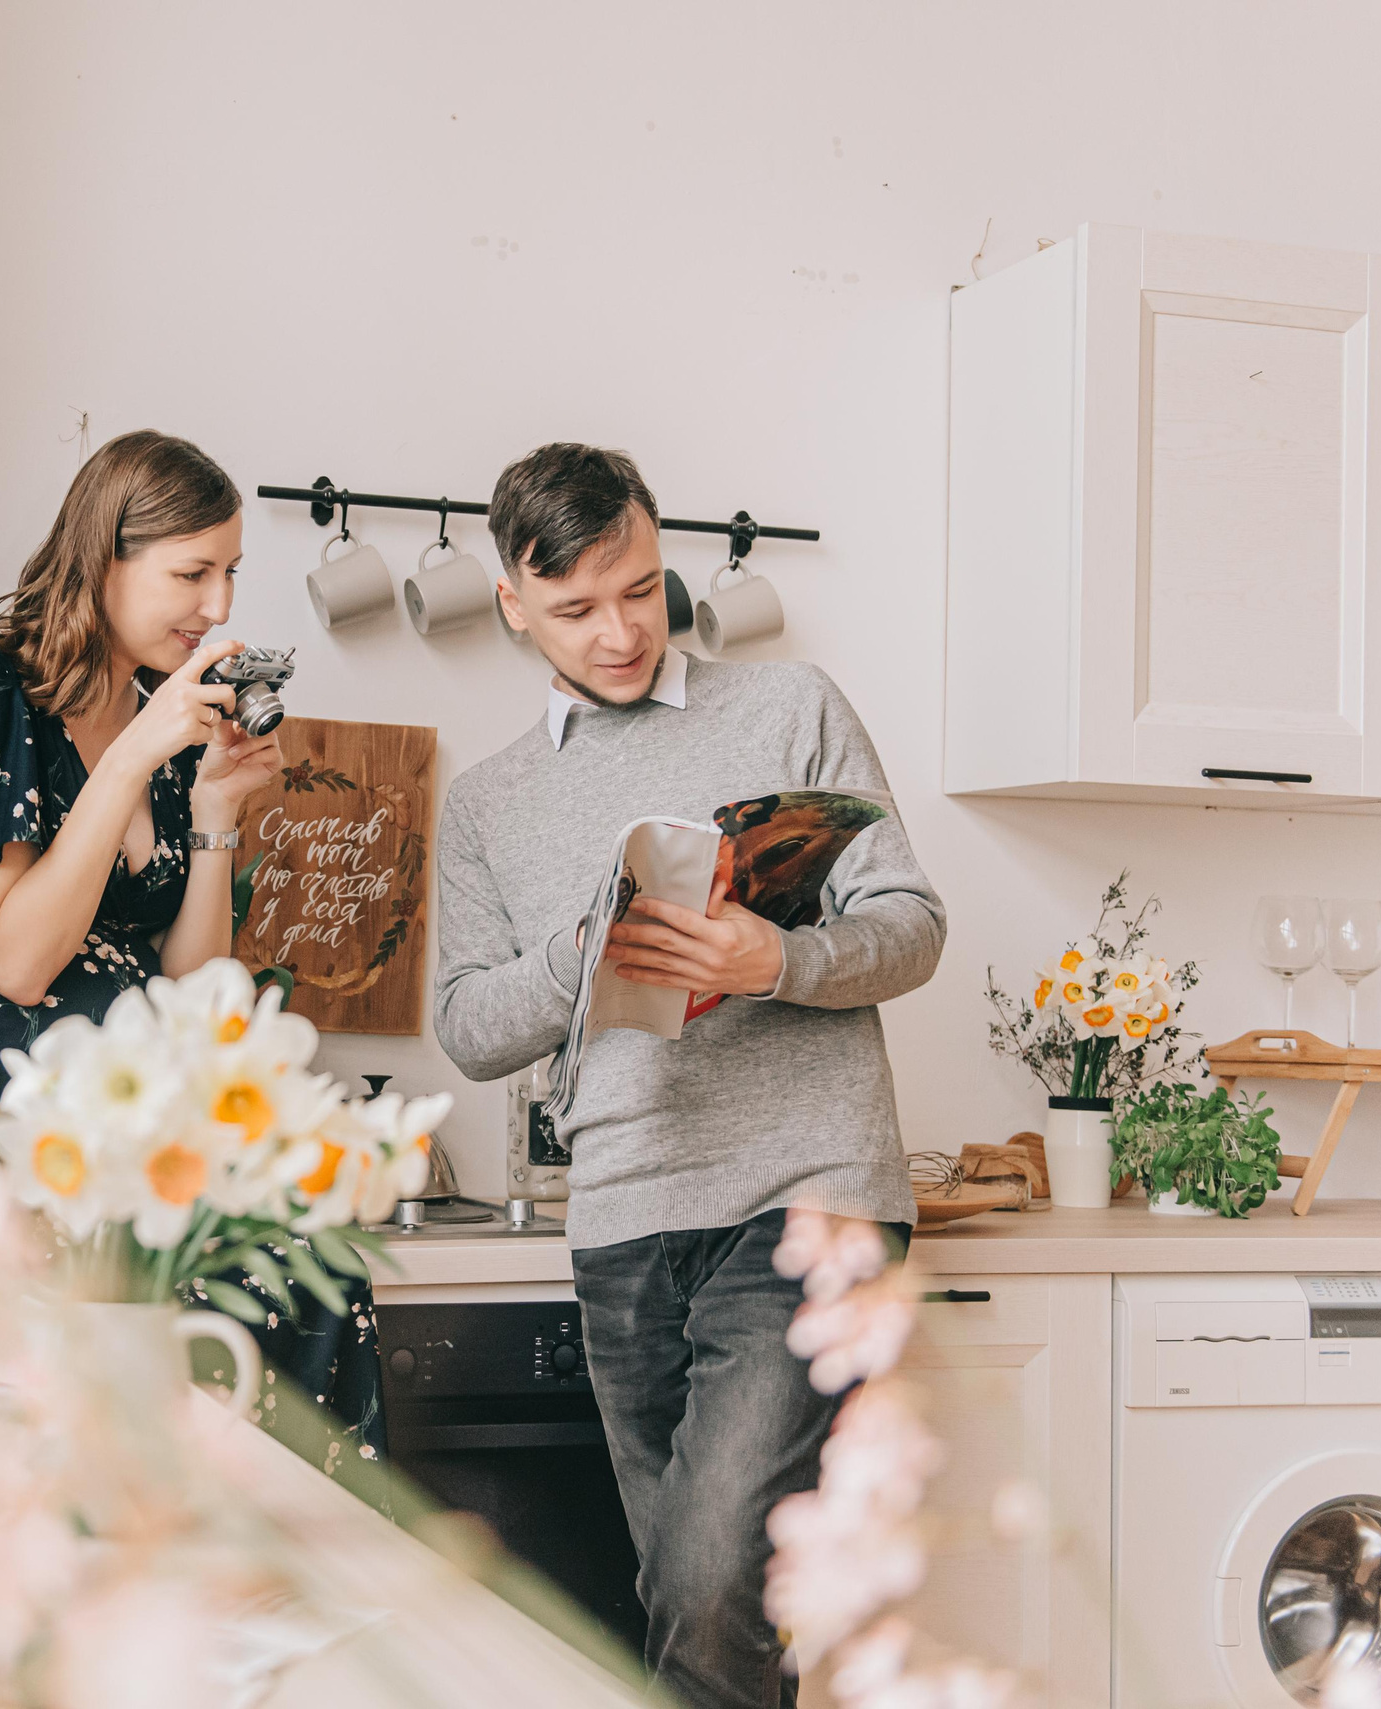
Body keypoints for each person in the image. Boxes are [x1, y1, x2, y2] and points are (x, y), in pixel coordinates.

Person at [429, 443, 943, 1708]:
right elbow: (465, 1023)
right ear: (512, 604)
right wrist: (584, 942)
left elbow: (913, 925)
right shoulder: (488, 800)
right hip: (622, 1223)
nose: (618, 632)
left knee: (711, 1584)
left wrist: (776, 954)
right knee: (698, 1607)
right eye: (575, 608)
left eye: (641, 589)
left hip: (804, 1198)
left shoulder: (789, 707)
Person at [0, 429, 390, 1469]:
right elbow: (16, 962)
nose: (219, 606)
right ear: (103, 561)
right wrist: (137, 755)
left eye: (230, 572)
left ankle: (281, 1584)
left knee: (311, 1258)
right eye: (192, 572)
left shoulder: (165, 739)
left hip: (123, 1142)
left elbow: (197, 998)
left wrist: (218, 806)